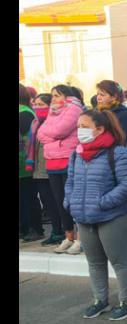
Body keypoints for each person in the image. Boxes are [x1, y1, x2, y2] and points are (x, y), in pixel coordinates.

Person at [66, 109, 127, 320]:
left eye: (85, 126)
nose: (80, 131)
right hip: (83, 216)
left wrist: (104, 202)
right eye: (78, 126)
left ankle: (126, 302)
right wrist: (69, 201)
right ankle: (100, 300)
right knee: (95, 262)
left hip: (112, 217)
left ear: (100, 129)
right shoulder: (76, 153)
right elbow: (70, 181)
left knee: (119, 260)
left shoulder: (117, 153)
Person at [37, 84, 84, 254]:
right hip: (52, 162)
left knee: (73, 201)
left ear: (66, 96)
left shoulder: (73, 108)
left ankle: (80, 238)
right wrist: (51, 134)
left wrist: (51, 135)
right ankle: (68, 236)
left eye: (57, 95)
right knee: (59, 201)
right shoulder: (53, 110)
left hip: (67, 160)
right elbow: (40, 134)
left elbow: (60, 131)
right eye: (52, 96)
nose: (54, 99)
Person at [29, 93, 63, 246]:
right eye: (35, 104)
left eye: (41, 104)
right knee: (49, 203)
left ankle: (62, 231)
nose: (37, 107)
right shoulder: (35, 123)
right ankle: (56, 231)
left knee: (58, 202)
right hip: (38, 170)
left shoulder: (55, 122)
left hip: (52, 168)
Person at [19, 84, 43, 242]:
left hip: (24, 163)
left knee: (28, 197)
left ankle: (35, 228)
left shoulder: (24, 113)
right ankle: (23, 228)